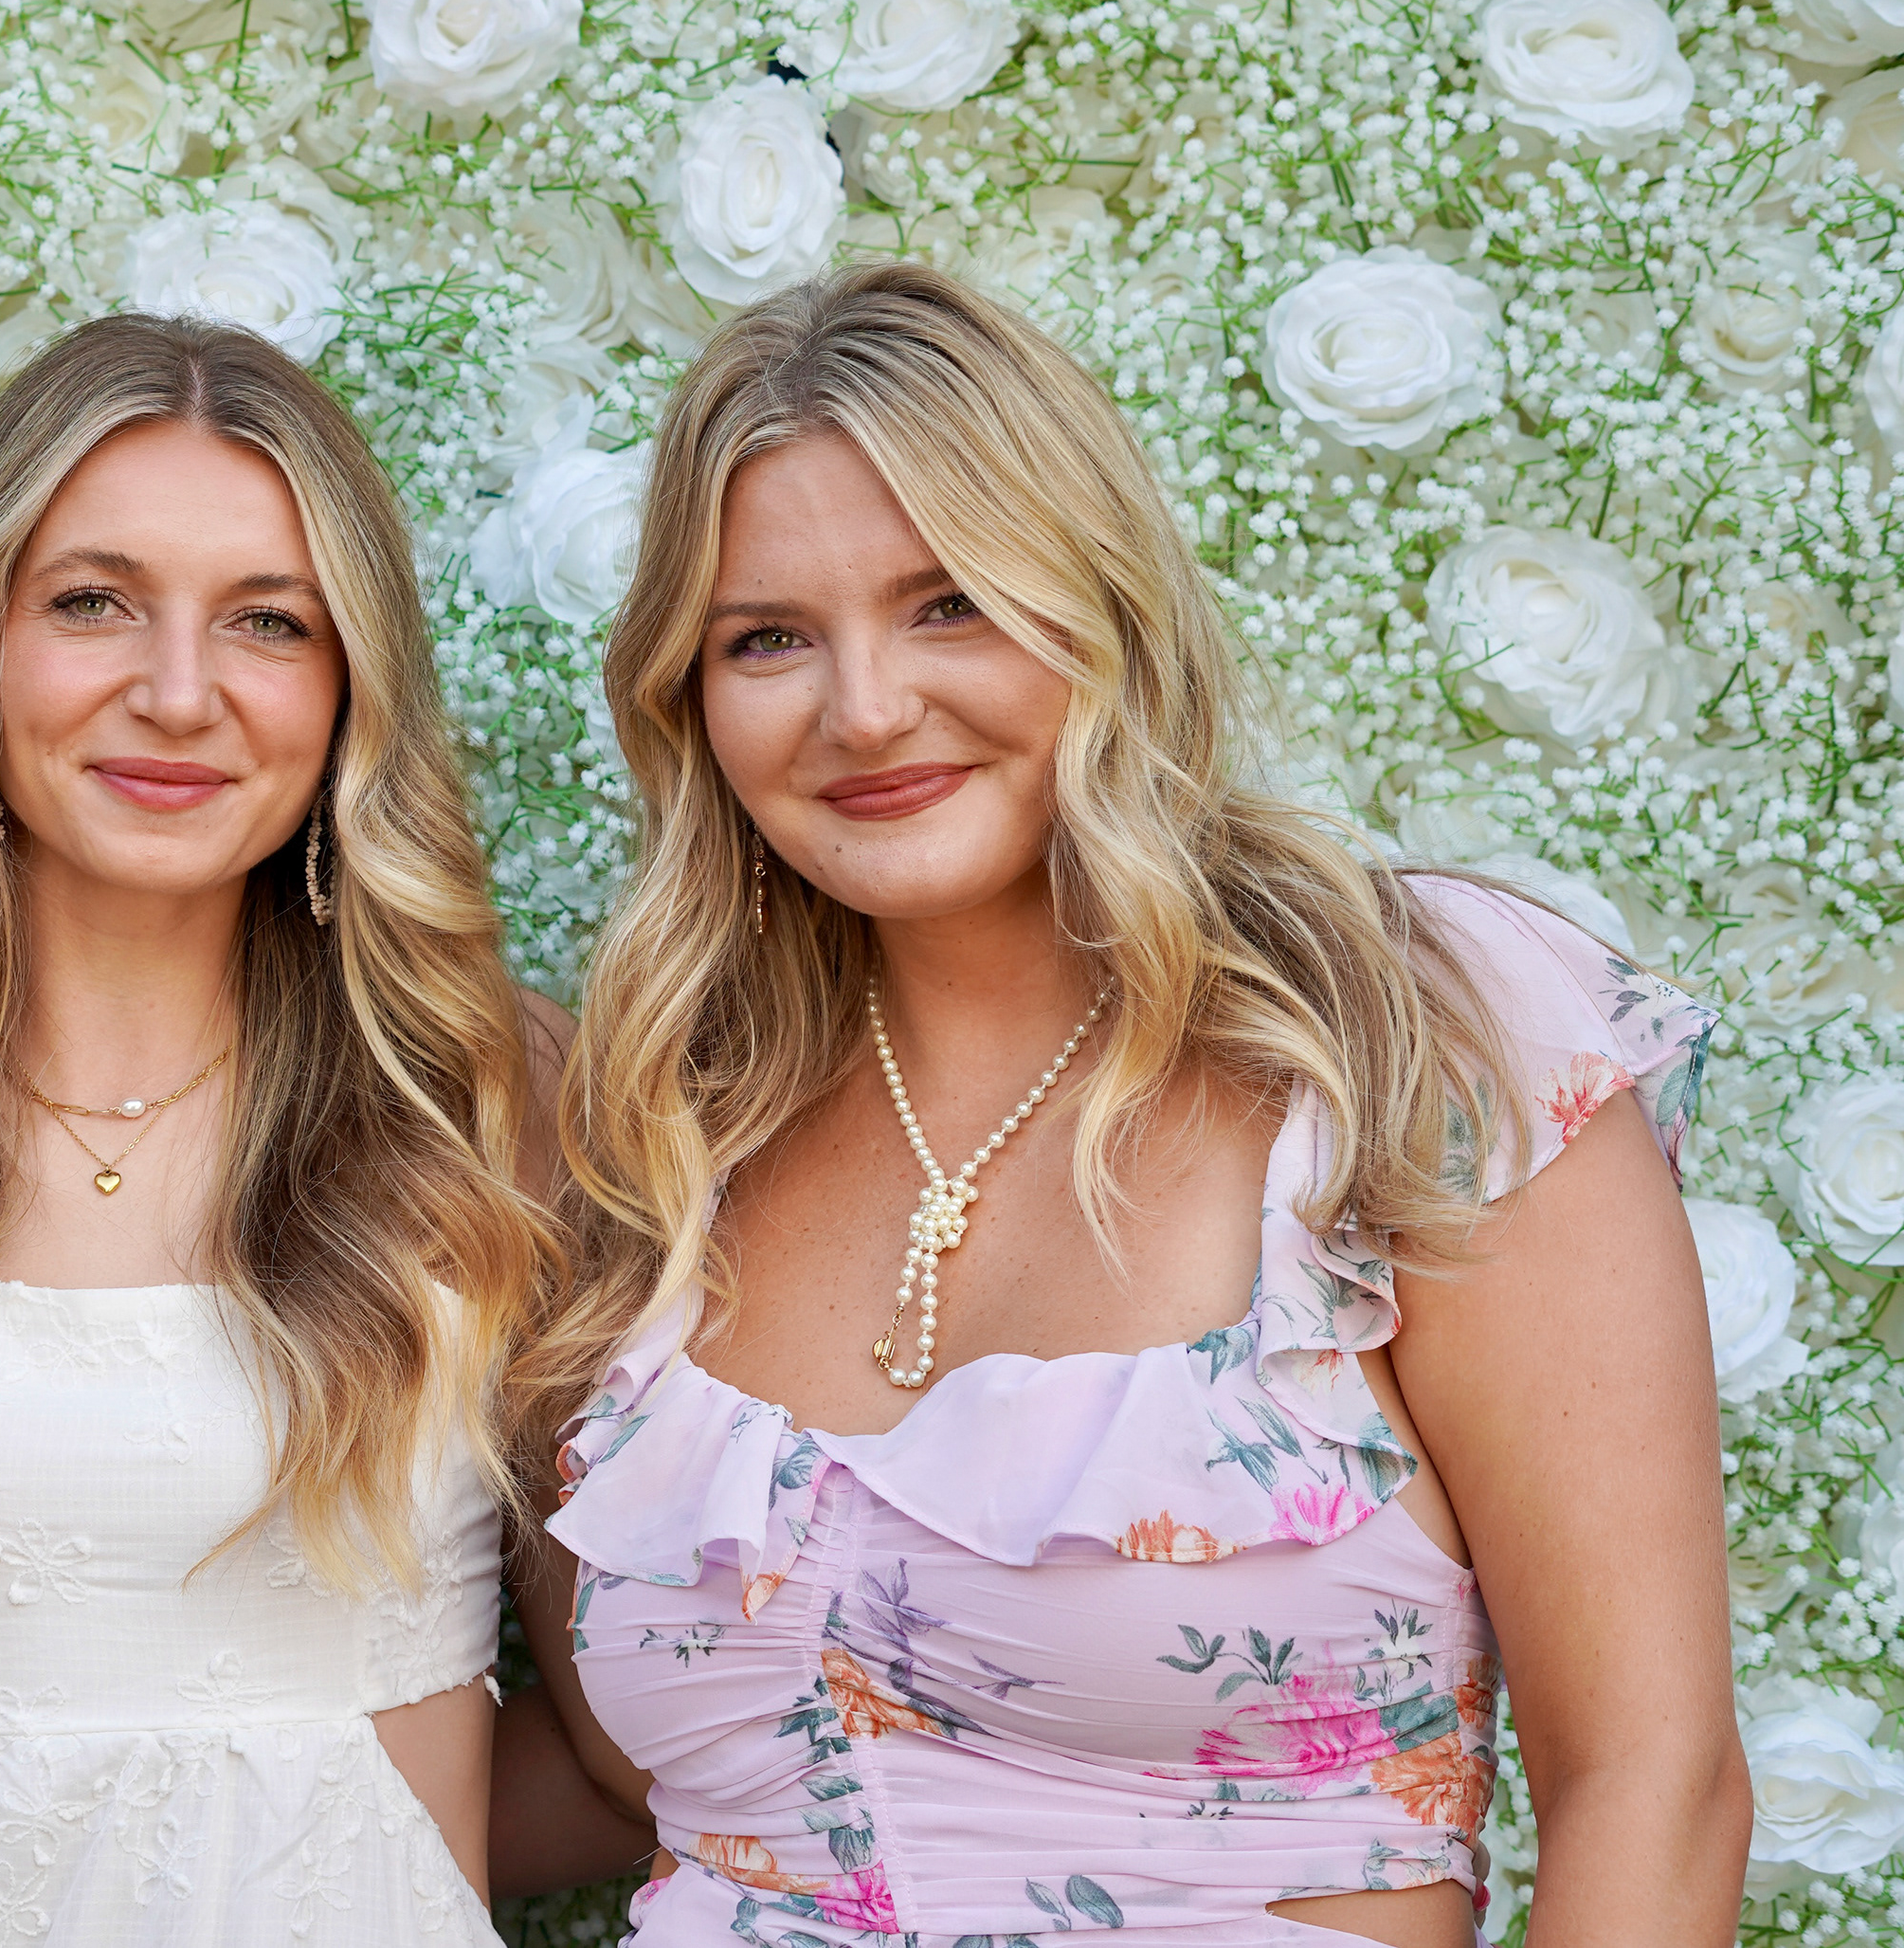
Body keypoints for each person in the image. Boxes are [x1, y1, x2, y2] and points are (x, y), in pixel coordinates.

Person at [519, 263, 1750, 1947]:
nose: (864, 709)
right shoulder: (664, 1143)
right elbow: (609, 1780)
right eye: (769, 639)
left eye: (950, 602)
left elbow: (1653, 1786)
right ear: (689, 696)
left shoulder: (1413, 1046)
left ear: (1096, 602)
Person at [0, 312, 598, 1944]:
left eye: (268, 621)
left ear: (351, 686)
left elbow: (648, 1738)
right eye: (92, 602)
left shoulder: (498, 1100)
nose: (178, 694)